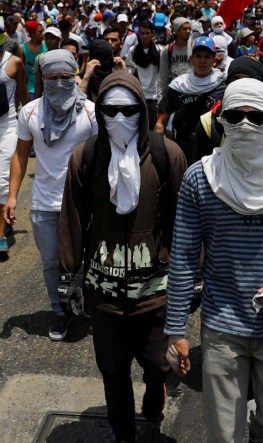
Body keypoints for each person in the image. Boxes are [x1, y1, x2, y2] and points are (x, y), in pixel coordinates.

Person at [164, 77, 263, 443]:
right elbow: (184, 257)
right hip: (222, 327)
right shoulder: (199, 178)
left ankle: (258, 423)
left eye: (256, 117)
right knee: (224, 436)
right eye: (235, 116)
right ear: (220, 121)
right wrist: (175, 331)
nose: (246, 125)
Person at [57, 70, 186, 443]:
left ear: (142, 111)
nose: (119, 120)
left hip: (155, 288)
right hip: (104, 290)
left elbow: (185, 220)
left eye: (128, 111)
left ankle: (154, 391)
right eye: (109, 111)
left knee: (157, 364)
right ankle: (123, 434)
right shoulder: (87, 157)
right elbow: (73, 217)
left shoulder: (167, 155)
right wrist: (70, 275)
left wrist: (191, 274)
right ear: (98, 113)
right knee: (113, 373)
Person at [3, 50, 98, 341]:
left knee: (82, 260)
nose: (59, 83)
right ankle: (59, 311)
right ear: (42, 79)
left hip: (82, 203)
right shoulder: (30, 112)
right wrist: (12, 196)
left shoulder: (91, 113)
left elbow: (102, 157)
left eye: (65, 77)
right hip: (44, 203)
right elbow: (20, 155)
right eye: (52, 78)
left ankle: (84, 299)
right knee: (50, 263)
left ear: (75, 77)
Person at [155, 36, 225, 165]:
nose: (202, 61)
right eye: (198, 56)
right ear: (191, 59)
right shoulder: (179, 85)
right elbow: (163, 115)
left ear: (214, 60)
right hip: (184, 144)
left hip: (212, 146)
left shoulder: (222, 84)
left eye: (207, 57)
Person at [0, 29, 28, 257]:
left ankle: (0, 235)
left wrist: (25, 123)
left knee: (2, 180)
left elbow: (22, 95)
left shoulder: (15, 63)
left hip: (6, 125)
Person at [125, 20, 161, 129]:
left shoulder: (159, 51)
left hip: (154, 97)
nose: (144, 36)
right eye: (142, 33)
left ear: (152, 34)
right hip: (139, 95)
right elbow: (129, 73)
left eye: (147, 33)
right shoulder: (133, 51)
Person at [157, 17, 191, 104]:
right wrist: (160, 101)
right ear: (176, 31)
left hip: (191, 93)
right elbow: (163, 77)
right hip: (174, 95)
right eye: (184, 29)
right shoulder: (168, 50)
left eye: (189, 28)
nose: (188, 31)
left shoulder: (194, 48)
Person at [21, 21, 46, 101]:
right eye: (40, 31)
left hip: (45, 87)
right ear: (32, 33)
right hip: (30, 88)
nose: (43, 33)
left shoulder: (47, 47)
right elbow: (21, 72)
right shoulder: (22, 48)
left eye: (43, 31)